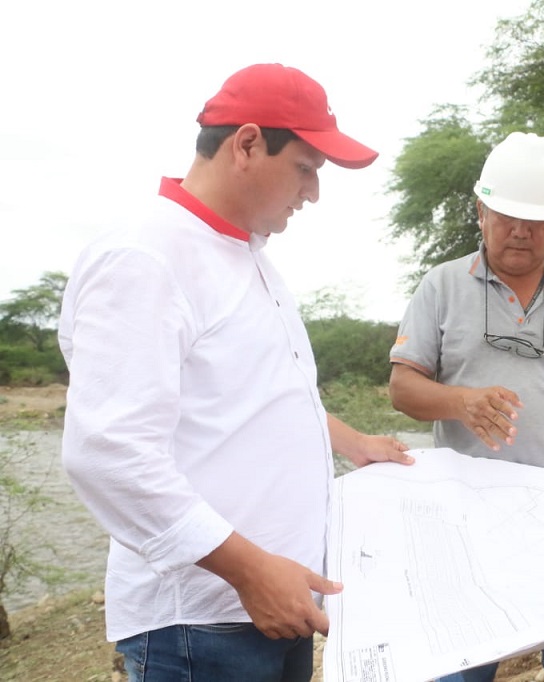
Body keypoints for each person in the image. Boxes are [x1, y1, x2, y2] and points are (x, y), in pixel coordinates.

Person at [59, 63, 414, 682]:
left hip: (278, 603)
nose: (313, 193)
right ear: (247, 143)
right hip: (203, 623)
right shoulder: (146, 256)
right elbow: (107, 451)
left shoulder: (249, 257)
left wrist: (353, 443)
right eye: (306, 169)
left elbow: (258, 397)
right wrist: (252, 570)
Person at [388, 131, 544, 682]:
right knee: (461, 663)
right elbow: (403, 386)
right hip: (465, 514)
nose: (520, 232)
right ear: (481, 210)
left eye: (536, 220)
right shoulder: (443, 286)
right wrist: (458, 402)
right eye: (506, 216)